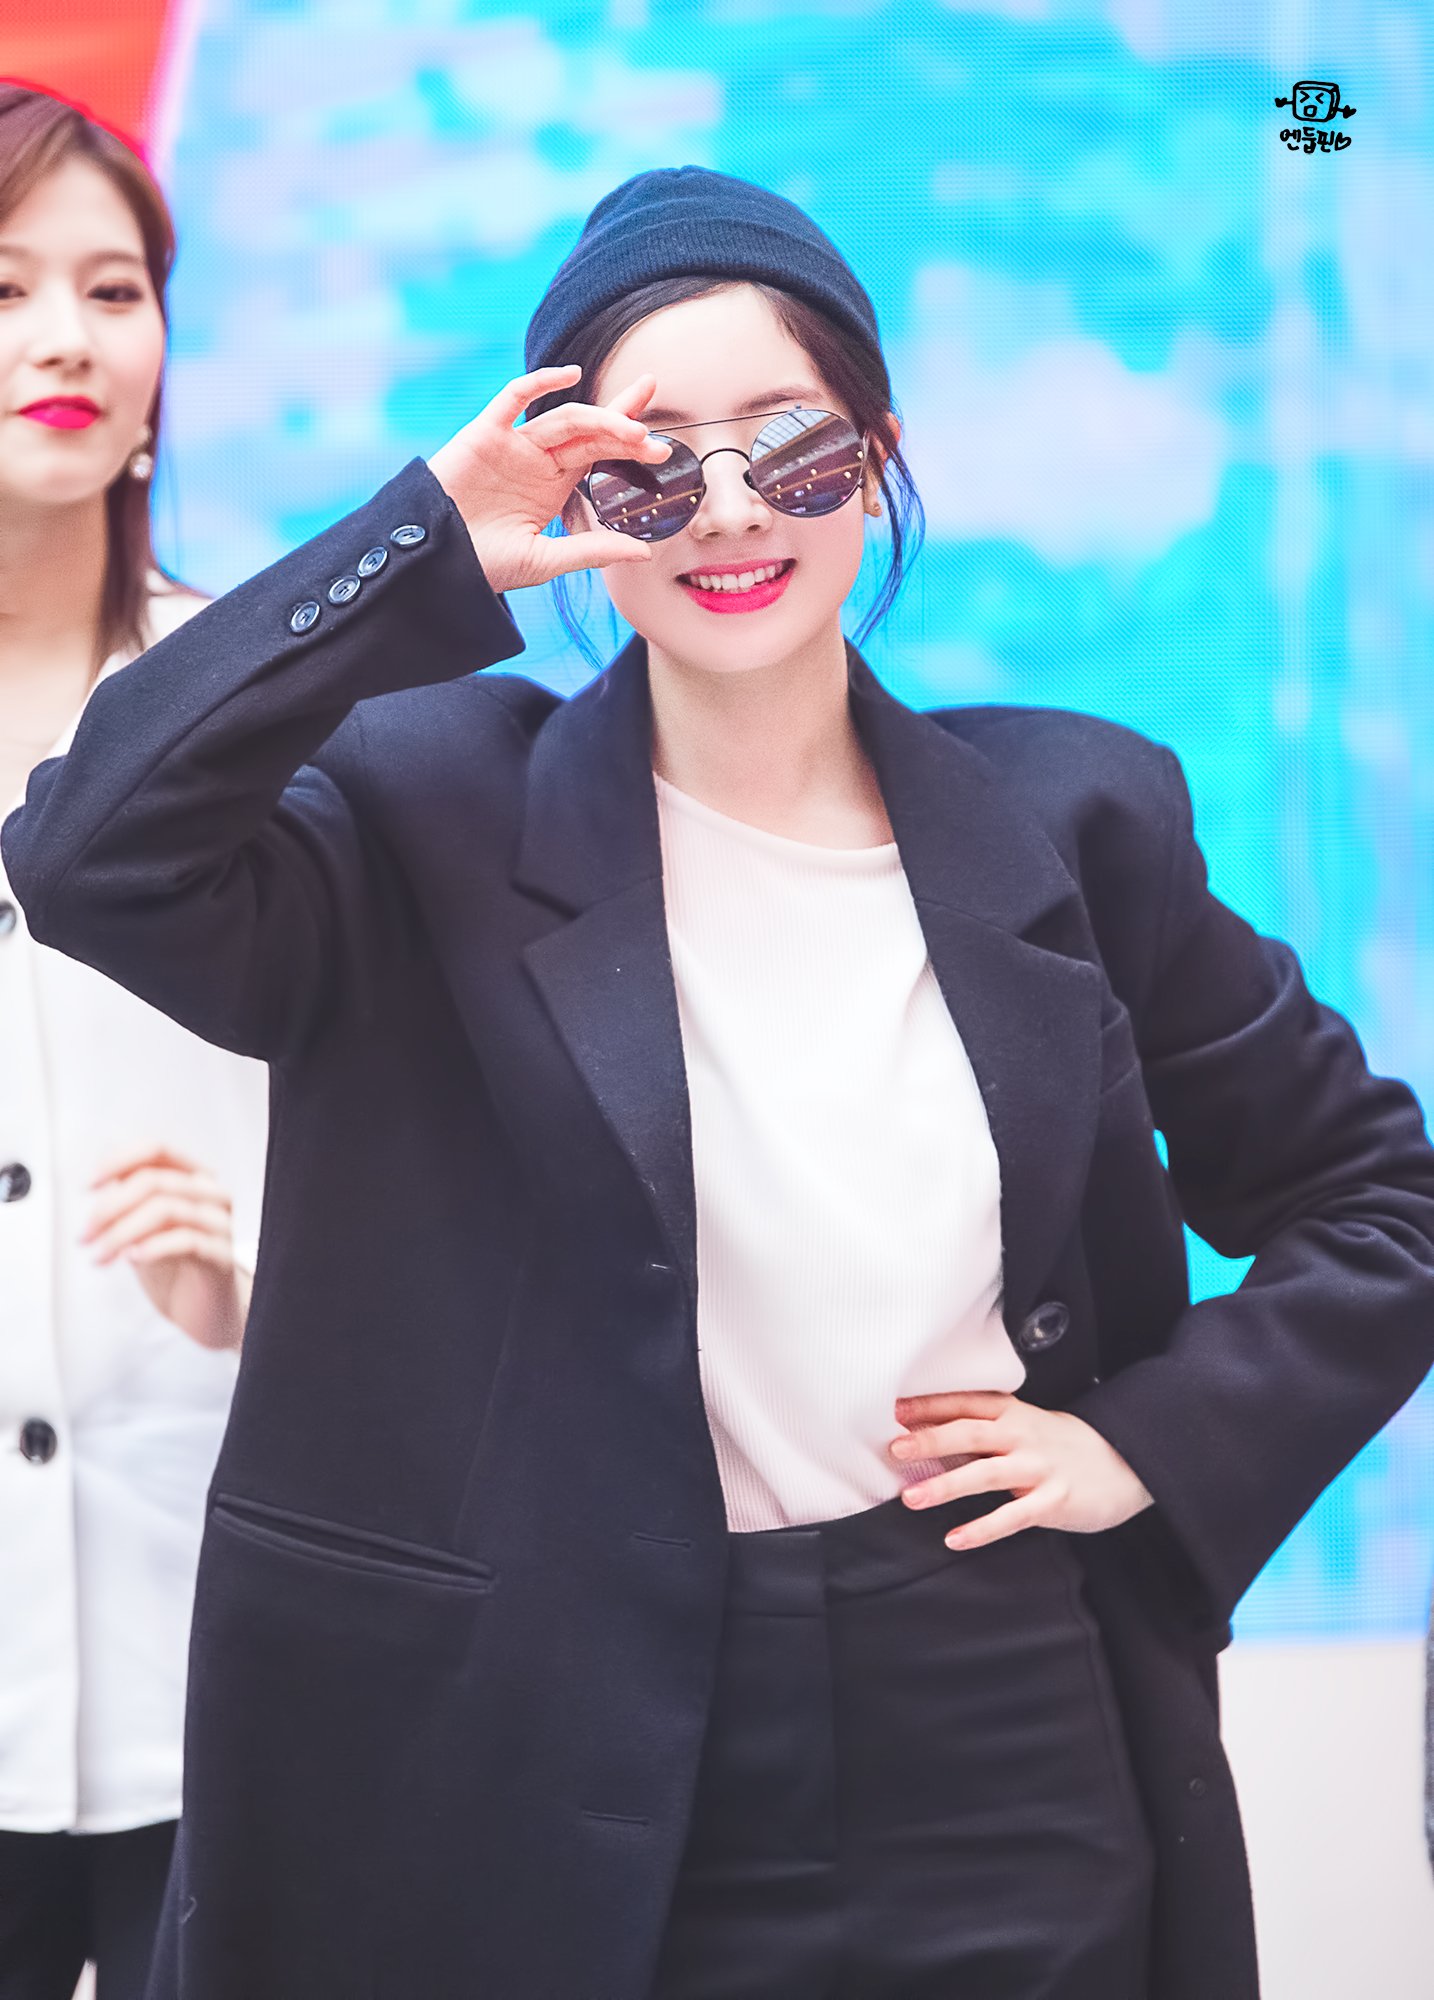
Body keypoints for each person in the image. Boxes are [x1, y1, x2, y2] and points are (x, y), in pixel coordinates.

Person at [5, 165, 1434, 2000]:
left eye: (793, 444)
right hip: (544, 1740)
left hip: (994, 1728)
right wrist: (428, 541)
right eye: (650, 465)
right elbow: (91, 857)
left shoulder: (1078, 815)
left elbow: (1374, 1201)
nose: (731, 507)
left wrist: (1140, 1446)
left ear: (880, 454)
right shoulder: (425, 810)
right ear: (570, 492)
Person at [0, 84, 268, 2000]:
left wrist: (267, 1266)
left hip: (217, 1654)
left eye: (113, 290)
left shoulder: (268, 706)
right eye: (3, 288)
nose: (66, 338)